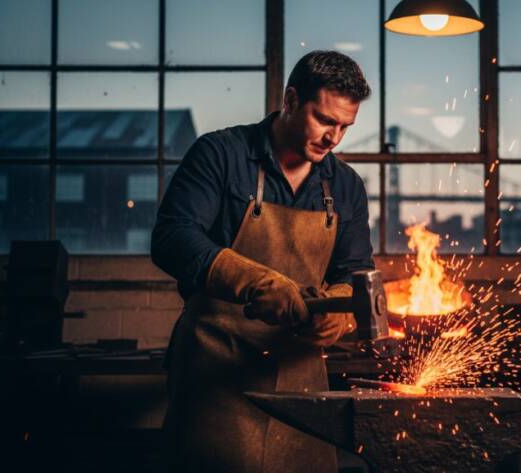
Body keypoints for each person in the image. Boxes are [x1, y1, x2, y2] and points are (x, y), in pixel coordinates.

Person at [151, 50, 374, 473]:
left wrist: (338, 314)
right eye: (324, 120)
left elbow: (355, 272)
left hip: (300, 379)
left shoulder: (345, 186)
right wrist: (258, 282)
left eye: (345, 126)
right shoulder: (220, 154)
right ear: (290, 100)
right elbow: (172, 238)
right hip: (216, 369)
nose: (334, 138)